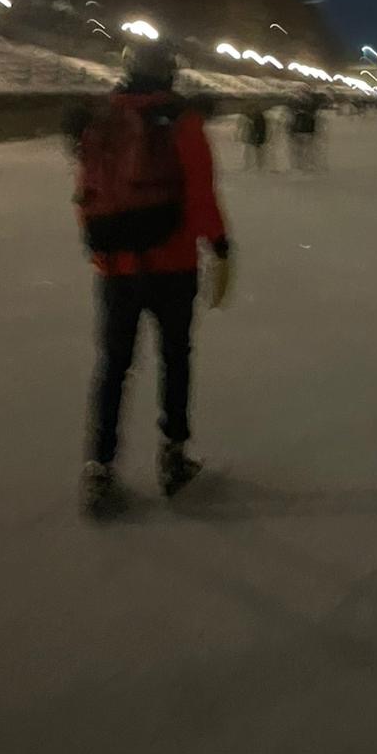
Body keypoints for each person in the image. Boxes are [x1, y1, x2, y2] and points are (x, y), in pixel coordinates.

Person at [69, 39, 230, 517]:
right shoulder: (181, 119)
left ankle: (99, 466)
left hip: (117, 269)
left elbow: (86, 190)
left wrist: (103, 249)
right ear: (169, 73)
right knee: (175, 358)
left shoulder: (101, 118)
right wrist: (219, 245)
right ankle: (173, 456)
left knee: (113, 366)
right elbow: (200, 191)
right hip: (173, 263)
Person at [241, 105, 269, 169]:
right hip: (255, 138)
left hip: (257, 137)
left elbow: (260, 129)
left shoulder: (258, 118)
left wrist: (258, 136)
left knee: (257, 151)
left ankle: (258, 164)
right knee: (254, 151)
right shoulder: (254, 118)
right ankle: (256, 164)